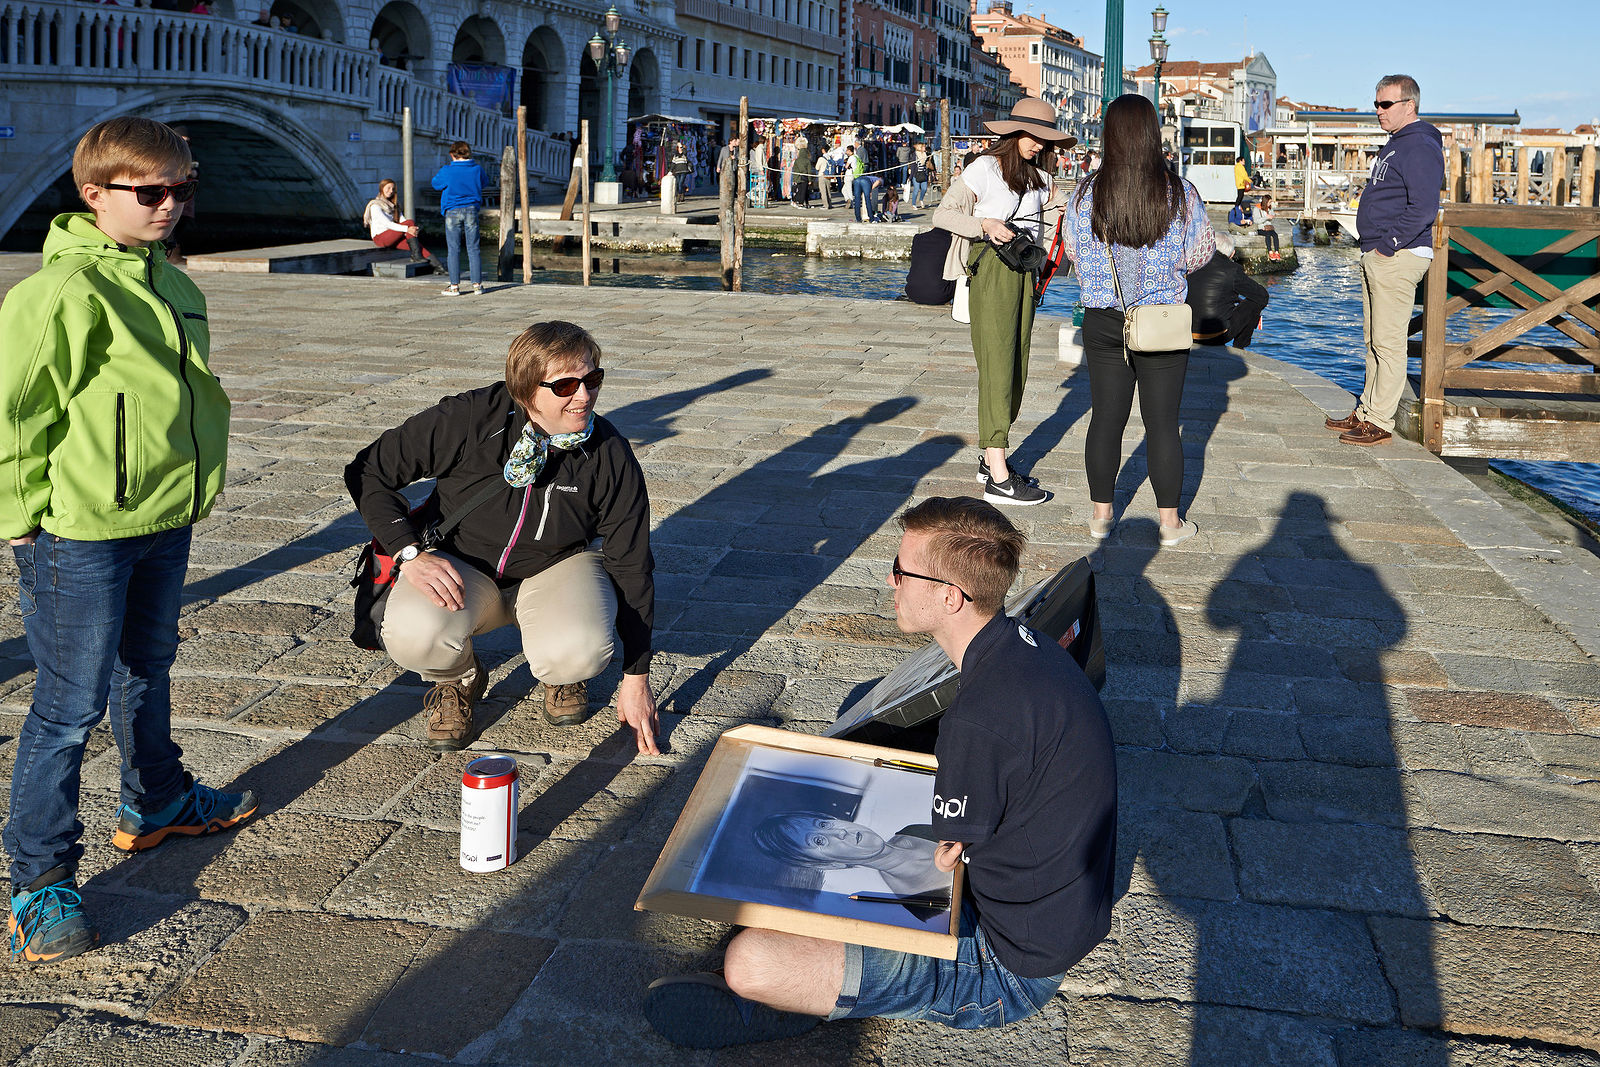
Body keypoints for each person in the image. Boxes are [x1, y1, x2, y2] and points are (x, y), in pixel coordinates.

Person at [644, 497, 1117, 1049]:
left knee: (750, 961)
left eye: (902, 571)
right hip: (1050, 916)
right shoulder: (1023, 650)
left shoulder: (979, 718)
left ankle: (789, 1010)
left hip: (1007, 966)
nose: (891, 582)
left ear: (949, 595)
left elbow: (949, 850)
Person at [0, 117, 258, 964]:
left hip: (161, 514)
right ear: (95, 194)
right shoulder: (60, 292)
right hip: (78, 530)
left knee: (149, 662)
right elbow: (14, 414)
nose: (171, 206)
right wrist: (22, 520)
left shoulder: (176, 285)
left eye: (183, 190)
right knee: (67, 705)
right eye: (150, 192)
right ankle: (39, 879)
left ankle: (156, 799)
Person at [345, 321, 660, 755]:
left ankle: (562, 674)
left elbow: (632, 561)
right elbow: (368, 471)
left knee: (579, 649)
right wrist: (410, 553)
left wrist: (636, 676)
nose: (584, 395)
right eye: (566, 384)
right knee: (414, 634)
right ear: (528, 388)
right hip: (462, 566)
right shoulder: (471, 418)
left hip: (556, 568)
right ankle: (457, 677)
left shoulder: (608, 453)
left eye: (593, 379)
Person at [1062, 93, 1215, 546]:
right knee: (1163, 422)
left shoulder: (1085, 192)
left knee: (1106, 417)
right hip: (1161, 322)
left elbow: (1073, 252)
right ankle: (1169, 524)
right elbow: (1199, 253)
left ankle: (1101, 517)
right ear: (1152, 134)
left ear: (1109, 134)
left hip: (1103, 319)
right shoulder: (1180, 192)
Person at [931, 97, 1076, 507]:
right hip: (991, 270)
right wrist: (984, 224)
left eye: (1046, 139)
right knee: (997, 364)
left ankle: (992, 457)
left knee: (1018, 364)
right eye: (1034, 137)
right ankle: (998, 475)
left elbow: (1060, 212)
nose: (1039, 145)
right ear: (1014, 133)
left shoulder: (1038, 175)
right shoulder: (984, 168)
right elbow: (943, 215)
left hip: (1024, 270)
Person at [1326, 74, 1444, 447]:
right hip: (1379, 252)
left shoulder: (1420, 145)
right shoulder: (1397, 144)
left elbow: (1424, 207)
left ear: (1409, 105)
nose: (1378, 110)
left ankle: (1380, 420)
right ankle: (1366, 410)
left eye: (1385, 104)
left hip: (1398, 254)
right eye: (1376, 103)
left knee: (1389, 342)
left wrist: (1389, 245)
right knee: (1372, 339)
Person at [753, 814, 947, 896]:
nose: (840, 833)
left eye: (823, 824)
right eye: (819, 841)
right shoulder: (917, 897)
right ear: (832, 865)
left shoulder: (912, 830)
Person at [1186, 230, 1268, 348]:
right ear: (1232, 254)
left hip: (1188, 332)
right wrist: (1242, 302)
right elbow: (1262, 295)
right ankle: (1240, 345)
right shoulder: (1232, 269)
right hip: (1216, 336)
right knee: (1256, 300)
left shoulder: (1193, 264)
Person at [431, 140, 489, 296]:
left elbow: (435, 184)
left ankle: (454, 286)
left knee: (454, 249)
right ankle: (477, 285)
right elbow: (485, 182)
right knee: (474, 248)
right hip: (471, 209)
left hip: (452, 210)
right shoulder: (477, 169)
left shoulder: (447, 170)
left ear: (452, 155)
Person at [363, 178, 429, 259]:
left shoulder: (394, 206)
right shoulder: (375, 205)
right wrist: (407, 229)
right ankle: (416, 256)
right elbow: (388, 224)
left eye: (393, 189)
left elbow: (403, 220)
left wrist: (411, 230)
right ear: (382, 188)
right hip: (380, 238)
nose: (391, 191)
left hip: (393, 236)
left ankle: (438, 267)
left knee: (418, 247)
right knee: (410, 222)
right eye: (388, 188)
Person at [847, 145, 881, 222]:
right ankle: (871, 219)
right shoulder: (857, 157)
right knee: (867, 199)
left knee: (857, 200)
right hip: (865, 180)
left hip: (856, 179)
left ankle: (858, 219)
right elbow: (879, 182)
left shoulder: (853, 157)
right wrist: (871, 191)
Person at [790, 135, 813, 208]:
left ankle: (803, 202)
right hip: (805, 177)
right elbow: (809, 171)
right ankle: (802, 203)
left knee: (800, 190)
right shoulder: (807, 161)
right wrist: (810, 180)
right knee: (805, 191)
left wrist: (795, 179)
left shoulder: (797, 160)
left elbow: (795, 169)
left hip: (798, 177)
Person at [747, 136, 769, 209]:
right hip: (760, 169)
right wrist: (761, 169)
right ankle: (750, 193)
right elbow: (759, 160)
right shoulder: (760, 149)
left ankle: (760, 199)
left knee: (761, 185)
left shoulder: (760, 148)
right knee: (761, 184)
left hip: (761, 168)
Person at [1256, 194, 1281, 259]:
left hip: (1269, 227)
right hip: (1261, 228)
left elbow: (1272, 214)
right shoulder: (1257, 209)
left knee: (1275, 235)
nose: (1270, 204)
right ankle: (1270, 251)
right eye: (1269, 202)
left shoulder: (1269, 208)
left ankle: (1277, 252)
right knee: (1268, 235)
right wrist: (1266, 217)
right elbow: (1256, 221)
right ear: (1265, 201)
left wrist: (1272, 216)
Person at [907, 143, 931, 209]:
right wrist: (910, 177)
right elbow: (913, 166)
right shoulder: (915, 155)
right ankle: (913, 204)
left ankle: (921, 199)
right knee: (916, 189)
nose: (924, 148)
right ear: (920, 148)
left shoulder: (925, 154)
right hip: (916, 174)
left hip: (923, 174)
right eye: (923, 147)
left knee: (924, 188)